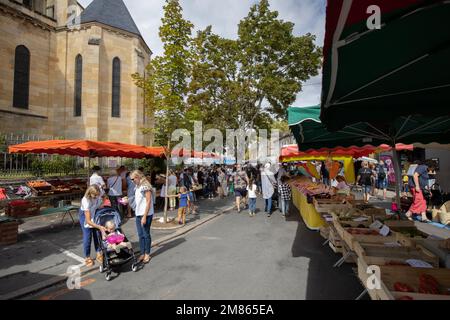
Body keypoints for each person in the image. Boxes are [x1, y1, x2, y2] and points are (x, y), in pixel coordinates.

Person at [130, 170, 154, 264]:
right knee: (140, 235)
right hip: (138, 213)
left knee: (146, 234)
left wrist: (144, 216)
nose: (132, 181)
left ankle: (147, 253)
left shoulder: (145, 186)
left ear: (138, 177)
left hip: (146, 214)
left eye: (133, 179)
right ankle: (142, 253)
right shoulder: (138, 186)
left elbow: (148, 202)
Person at [79, 185, 105, 267]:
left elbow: (103, 197)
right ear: (90, 194)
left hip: (94, 213)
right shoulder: (85, 200)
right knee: (88, 236)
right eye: (95, 195)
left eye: (98, 194)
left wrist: (102, 202)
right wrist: (100, 227)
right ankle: (87, 257)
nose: (97, 196)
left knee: (97, 234)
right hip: (85, 217)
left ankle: (98, 253)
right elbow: (88, 221)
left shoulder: (98, 194)